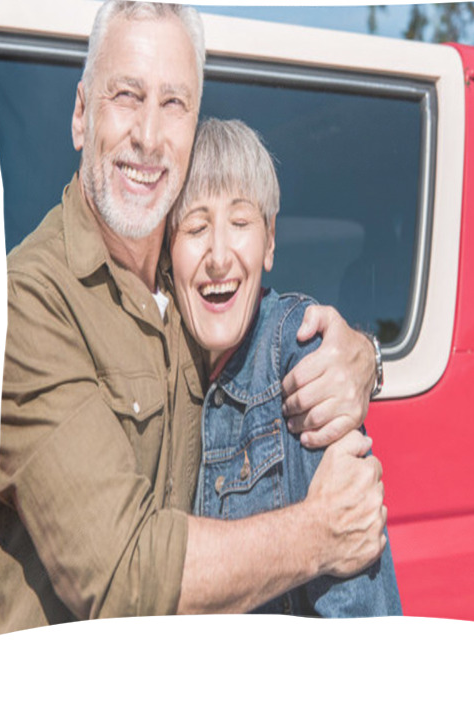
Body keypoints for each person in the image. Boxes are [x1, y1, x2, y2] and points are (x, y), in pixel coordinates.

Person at [0, 0, 387, 638]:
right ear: (81, 114)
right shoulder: (27, 302)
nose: (149, 136)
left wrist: (363, 357)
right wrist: (319, 534)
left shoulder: (189, 285)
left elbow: (270, 318)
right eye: (126, 96)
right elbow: (122, 575)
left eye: (174, 104)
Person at [170, 118, 401, 616]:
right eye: (194, 227)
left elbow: (359, 615)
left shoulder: (302, 358)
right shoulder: (153, 363)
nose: (217, 256)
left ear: (270, 242)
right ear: (167, 252)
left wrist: (368, 358)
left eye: (240, 223)